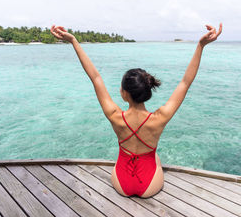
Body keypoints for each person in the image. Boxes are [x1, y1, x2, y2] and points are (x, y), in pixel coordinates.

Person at [50, 23, 222, 198]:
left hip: (121, 183)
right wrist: (201, 46)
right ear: (147, 92)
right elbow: (185, 82)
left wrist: (73, 41)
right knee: (155, 158)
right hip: (149, 185)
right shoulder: (160, 118)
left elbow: (95, 77)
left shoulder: (115, 116)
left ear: (124, 94)